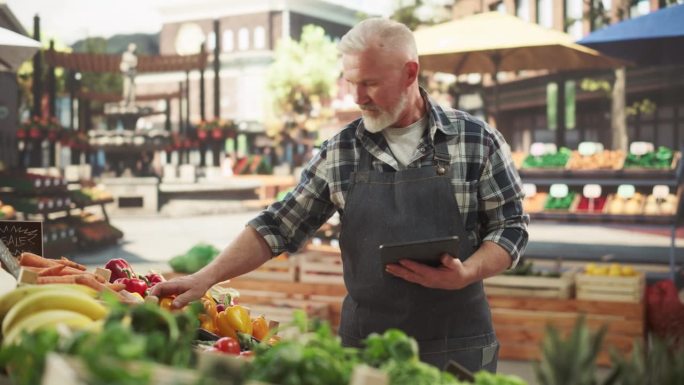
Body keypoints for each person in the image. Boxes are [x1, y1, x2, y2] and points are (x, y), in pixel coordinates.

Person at [151, 18, 529, 372]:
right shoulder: (341, 151)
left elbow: (511, 227)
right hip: (367, 353)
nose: (357, 97)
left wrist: (468, 272)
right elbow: (278, 225)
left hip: (458, 347)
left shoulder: (476, 139)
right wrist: (206, 277)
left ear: (410, 72)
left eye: (370, 83)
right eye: (351, 82)